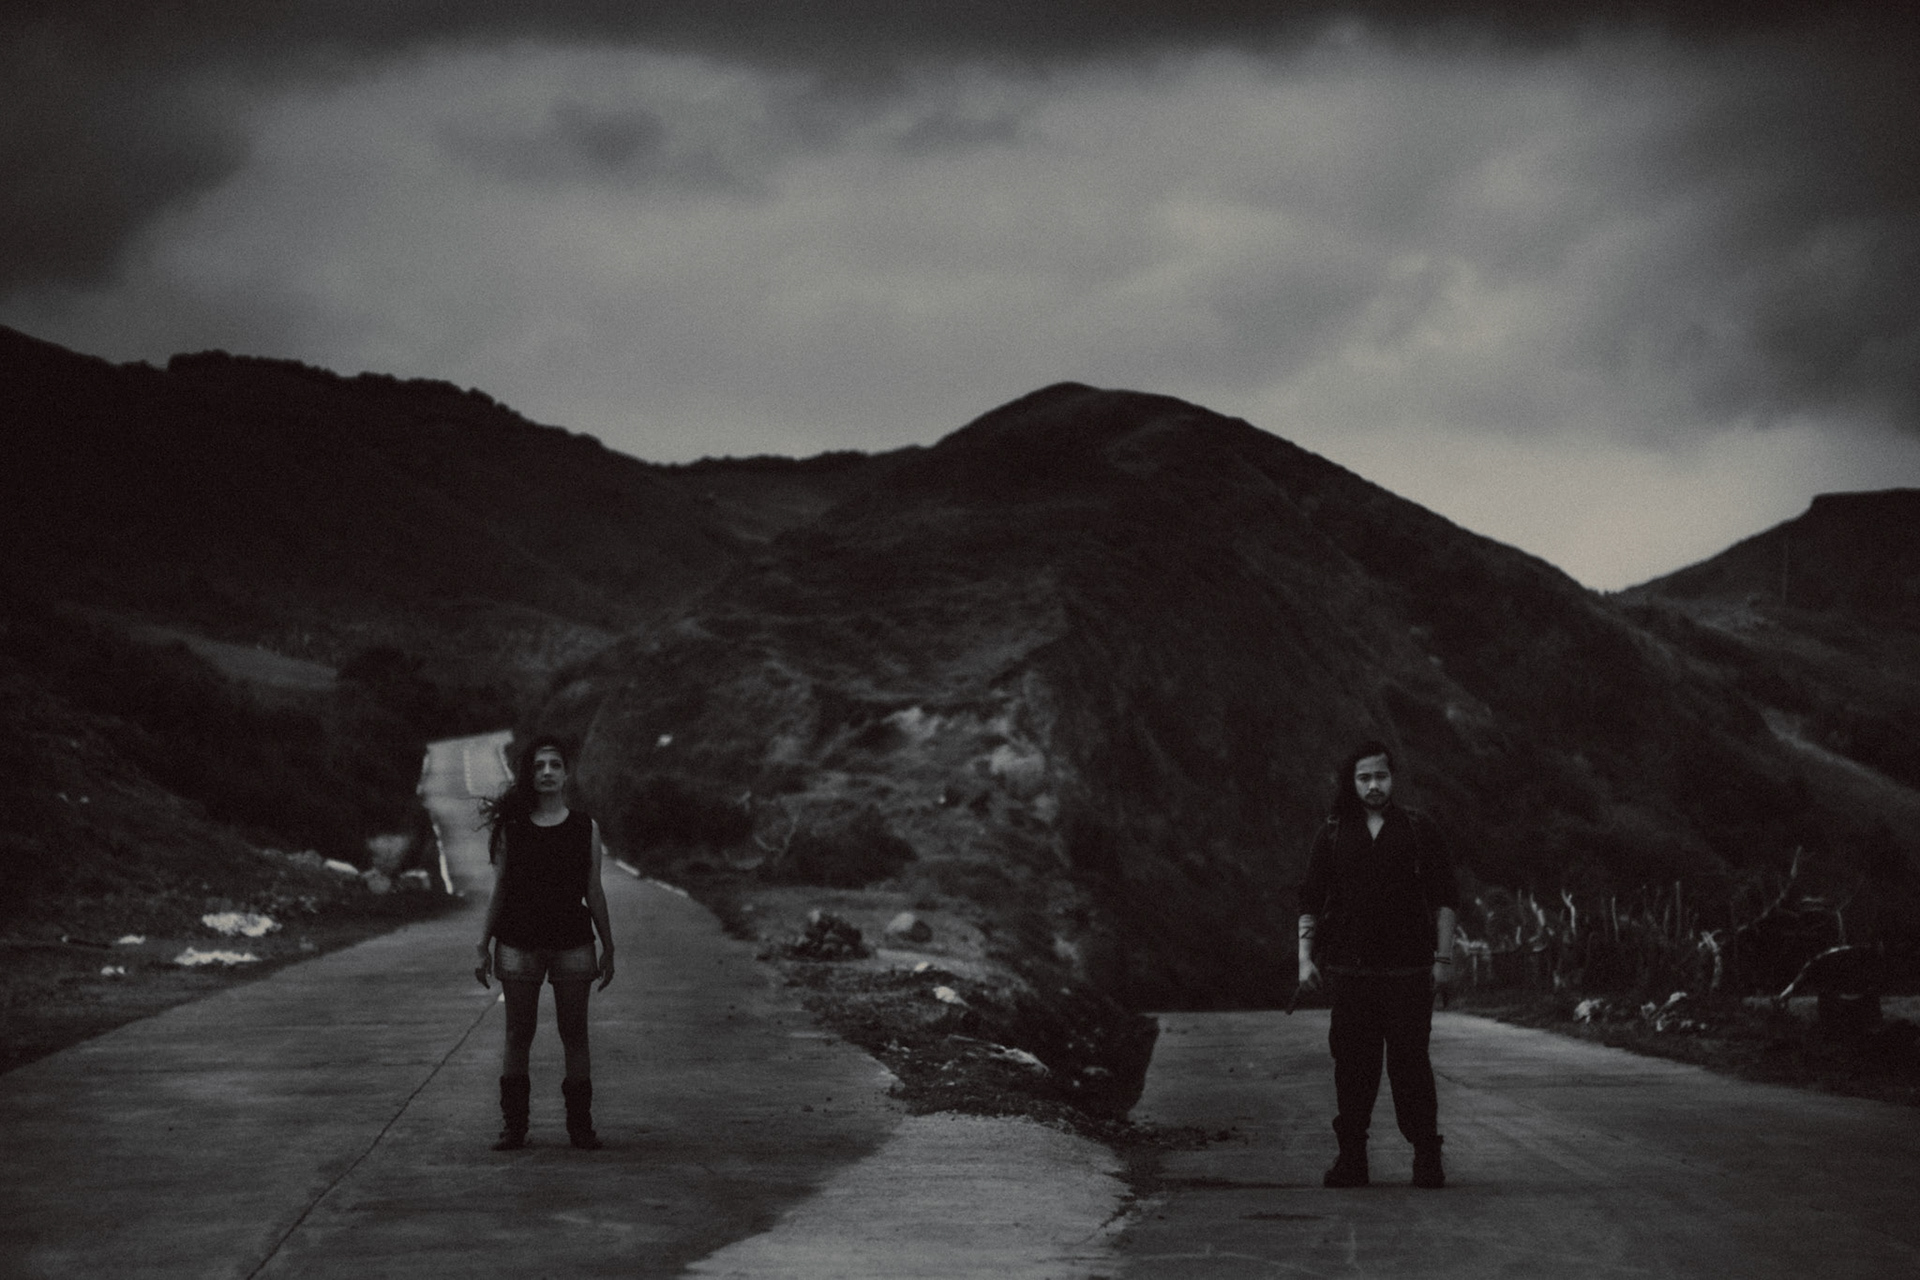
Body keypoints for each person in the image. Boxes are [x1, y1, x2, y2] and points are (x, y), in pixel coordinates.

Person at [1296, 740, 1458, 1189]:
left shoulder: (1419, 829)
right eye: (1364, 777)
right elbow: (1309, 900)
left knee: (1411, 1067)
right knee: (1352, 1067)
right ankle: (1352, 1159)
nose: (1373, 785)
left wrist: (1442, 960)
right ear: (1352, 782)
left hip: (1409, 974)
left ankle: (1427, 1156)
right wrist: (1304, 961)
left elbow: (1446, 899)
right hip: (1350, 976)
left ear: (1393, 779)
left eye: (1381, 776)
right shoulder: (1331, 833)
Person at [473, 736, 616, 1150]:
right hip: (518, 942)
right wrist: (482, 944)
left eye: (555, 765)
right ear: (529, 776)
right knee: (519, 1034)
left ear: (567, 773)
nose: (548, 772)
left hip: (573, 941)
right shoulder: (512, 829)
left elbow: (595, 890)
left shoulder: (585, 827)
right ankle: (514, 1126)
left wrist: (610, 946)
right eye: (539, 766)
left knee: (576, 1033)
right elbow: (499, 889)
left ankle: (580, 1126)